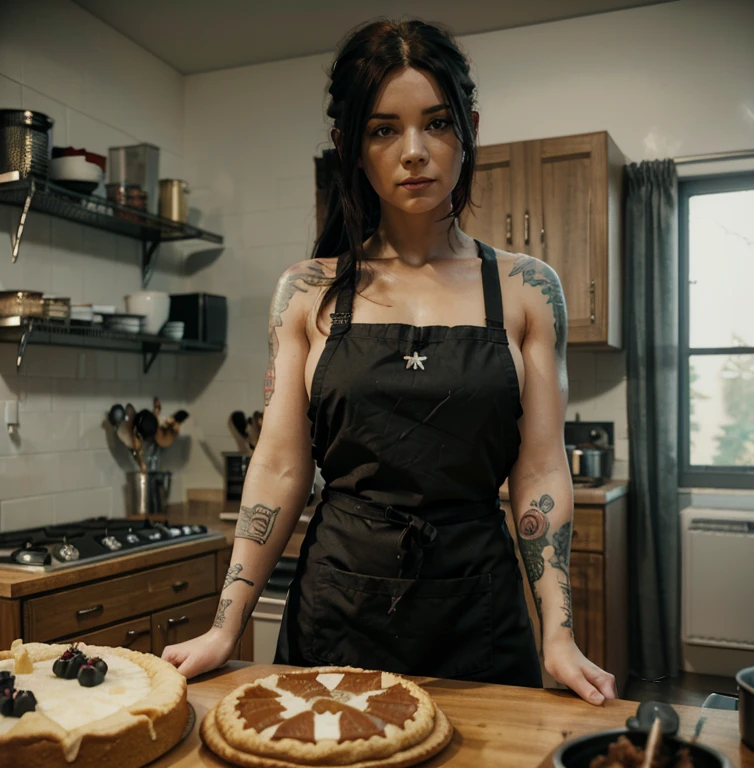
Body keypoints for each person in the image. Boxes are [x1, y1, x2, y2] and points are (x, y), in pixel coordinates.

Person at [162, 17, 617, 706]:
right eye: (384, 129)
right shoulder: (306, 293)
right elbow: (282, 466)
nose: (414, 152)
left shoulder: (528, 289)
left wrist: (558, 634)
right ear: (349, 144)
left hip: (480, 612)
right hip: (337, 610)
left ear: (469, 129)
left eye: (436, 124)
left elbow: (542, 468)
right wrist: (226, 628)